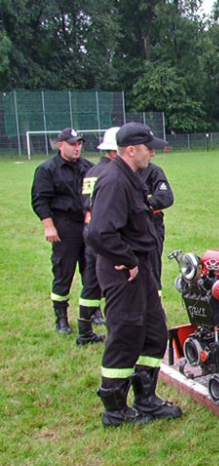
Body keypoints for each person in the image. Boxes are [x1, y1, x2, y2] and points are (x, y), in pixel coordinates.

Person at [88, 122, 182, 426]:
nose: (152, 152)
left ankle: (147, 399)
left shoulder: (132, 178)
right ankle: (114, 409)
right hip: (123, 271)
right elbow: (100, 233)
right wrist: (127, 260)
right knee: (126, 333)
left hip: (139, 268)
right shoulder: (114, 181)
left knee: (154, 331)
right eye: (148, 147)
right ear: (131, 150)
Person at [31, 128, 95, 337]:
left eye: (79, 144)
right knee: (63, 272)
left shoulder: (88, 167)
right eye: (72, 144)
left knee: (91, 270)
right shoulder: (47, 169)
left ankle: (92, 311)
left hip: (87, 224)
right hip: (64, 225)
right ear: (60, 145)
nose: (77, 148)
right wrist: (48, 225)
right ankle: (61, 318)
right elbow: (40, 200)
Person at [77, 128, 124, 346]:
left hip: (90, 230)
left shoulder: (92, 171)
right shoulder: (112, 174)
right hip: (106, 232)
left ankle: (84, 329)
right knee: (115, 282)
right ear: (115, 152)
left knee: (91, 281)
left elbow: (85, 202)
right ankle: (118, 329)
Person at [139, 161, 174, 295]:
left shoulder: (153, 171)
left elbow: (166, 197)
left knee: (152, 269)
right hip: (125, 227)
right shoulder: (114, 173)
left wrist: (143, 204)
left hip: (151, 224)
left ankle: (154, 309)